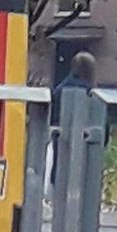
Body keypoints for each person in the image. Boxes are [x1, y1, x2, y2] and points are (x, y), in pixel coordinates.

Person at [49, 51, 96, 189]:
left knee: (60, 173)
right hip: (85, 142)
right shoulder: (91, 92)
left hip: (60, 138)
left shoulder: (59, 89)